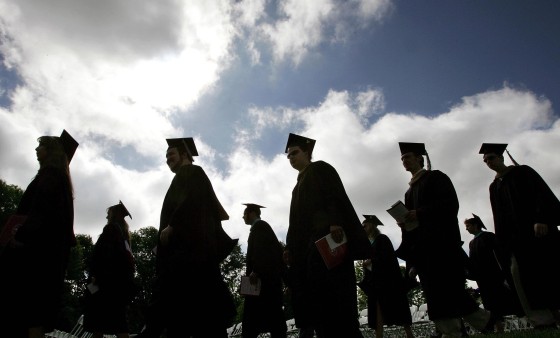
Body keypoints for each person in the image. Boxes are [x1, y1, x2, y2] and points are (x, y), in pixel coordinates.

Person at [137, 137, 237, 338]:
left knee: (187, 308)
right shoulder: (186, 175)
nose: (167, 159)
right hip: (187, 256)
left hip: (188, 256)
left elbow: (191, 199)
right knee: (195, 312)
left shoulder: (192, 171)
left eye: (171, 154)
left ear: (184, 155)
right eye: (166, 156)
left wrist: (172, 224)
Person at [394, 142, 494, 337]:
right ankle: (457, 329)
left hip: (442, 244)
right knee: (434, 293)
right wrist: (405, 224)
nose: (404, 161)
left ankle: (475, 323)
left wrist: (419, 213)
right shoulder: (408, 193)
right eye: (402, 158)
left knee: (451, 289)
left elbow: (450, 205)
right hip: (423, 249)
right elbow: (412, 223)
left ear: (419, 158)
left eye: (407, 157)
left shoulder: (436, 177)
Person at [283, 133, 369, 338]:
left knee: (336, 304)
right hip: (308, 253)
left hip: (326, 245)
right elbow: (294, 222)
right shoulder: (297, 186)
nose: (291, 158)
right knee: (318, 306)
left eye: (294, 153)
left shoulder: (319, 169)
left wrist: (335, 221)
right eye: (288, 156)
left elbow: (334, 195)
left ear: (307, 152)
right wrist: (289, 248)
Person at [0, 130, 79, 338]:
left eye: (41, 145)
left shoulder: (50, 177)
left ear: (50, 151)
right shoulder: (61, 180)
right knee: (33, 316)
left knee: (28, 313)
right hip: (48, 257)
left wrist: (19, 236)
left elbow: (39, 213)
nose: (37, 149)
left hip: (34, 256)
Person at [479, 142, 560, 330]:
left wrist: (542, 218)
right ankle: (542, 321)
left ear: (501, 157)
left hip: (536, 235)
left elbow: (541, 194)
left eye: (491, 158)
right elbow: (498, 216)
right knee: (523, 279)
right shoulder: (494, 187)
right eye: (485, 161)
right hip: (514, 241)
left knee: (548, 275)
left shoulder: (522, 172)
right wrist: (503, 243)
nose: (488, 162)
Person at [83, 201, 136, 338]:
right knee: (119, 323)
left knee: (98, 324)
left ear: (113, 216)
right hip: (119, 287)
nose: (107, 218)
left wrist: (96, 276)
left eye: (108, 215)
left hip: (105, 285)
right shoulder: (124, 235)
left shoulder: (111, 230)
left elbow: (105, 255)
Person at [464, 213, 523, 333]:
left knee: (506, 299)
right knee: (490, 303)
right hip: (483, 279)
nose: (467, 228)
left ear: (475, 225)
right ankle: (498, 327)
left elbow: (499, 255)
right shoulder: (471, 243)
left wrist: (503, 273)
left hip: (495, 275)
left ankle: (525, 320)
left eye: (468, 225)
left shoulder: (489, 237)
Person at [359, 214, 414, 338]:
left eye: (365, 226)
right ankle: (379, 335)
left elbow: (387, 258)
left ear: (372, 226)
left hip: (389, 282)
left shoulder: (382, 239)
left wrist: (371, 262)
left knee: (398, 309)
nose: (363, 228)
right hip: (376, 282)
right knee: (377, 309)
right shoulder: (368, 244)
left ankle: (410, 335)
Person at [241, 203, 287, 338]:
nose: (243, 217)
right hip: (263, 283)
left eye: (245, 214)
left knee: (256, 323)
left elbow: (263, 252)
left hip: (263, 283)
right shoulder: (260, 228)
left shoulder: (260, 227)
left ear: (252, 213)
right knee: (273, 321)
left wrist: (256, 270)